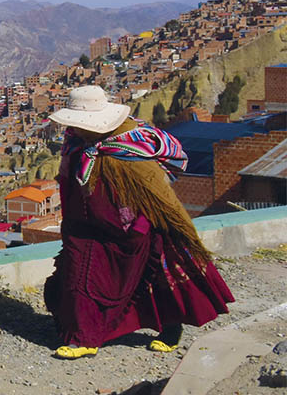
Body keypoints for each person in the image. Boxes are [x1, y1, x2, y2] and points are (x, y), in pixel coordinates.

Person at [43, 85, 234, 359]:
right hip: (87, 229)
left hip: (137, 228)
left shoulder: (131, 150)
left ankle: (170, 329)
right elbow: (69, 184)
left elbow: (157, 193)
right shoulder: (76, 144)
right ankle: (83, 337)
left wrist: (140, 228)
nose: (75, 128)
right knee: (78, 279)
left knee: (154, 280)